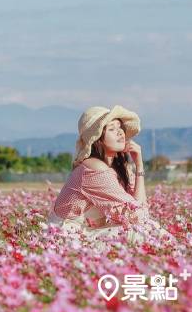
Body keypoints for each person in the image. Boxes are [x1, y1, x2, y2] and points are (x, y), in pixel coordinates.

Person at [47, 105, 172, 248]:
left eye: (120, 127)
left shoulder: (118, 168)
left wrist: (139, 166)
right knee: (142, 231)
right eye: (112, 129)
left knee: (145, 229)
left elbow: (140, 211)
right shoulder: (93, 168)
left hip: (86, 233)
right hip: (66, 239)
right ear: (97, 139)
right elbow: (138, 216)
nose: (120, 133)